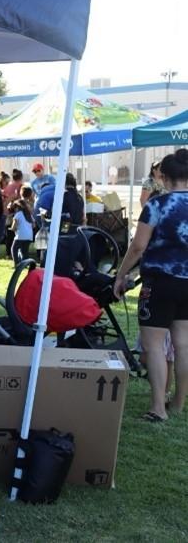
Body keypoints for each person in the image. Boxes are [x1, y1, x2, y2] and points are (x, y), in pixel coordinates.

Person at [115, 149, 188, 422]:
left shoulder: (157, 205)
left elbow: (138, 247)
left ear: (164, 177)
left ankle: (158, 407)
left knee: (153, 345)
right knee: (183, 344)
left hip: (159, 282)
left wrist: (121, 275)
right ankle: (178, 403)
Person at [9, 198, 34, 263]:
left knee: (14, 249)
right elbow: (34, 225)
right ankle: (25, 264)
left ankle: (16, 264)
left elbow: (14, 227)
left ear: (17, 207)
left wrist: (11, 229)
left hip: (20, 236)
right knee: (24, 251)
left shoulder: (18, 214)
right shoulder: (29, 215)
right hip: (29, 236)